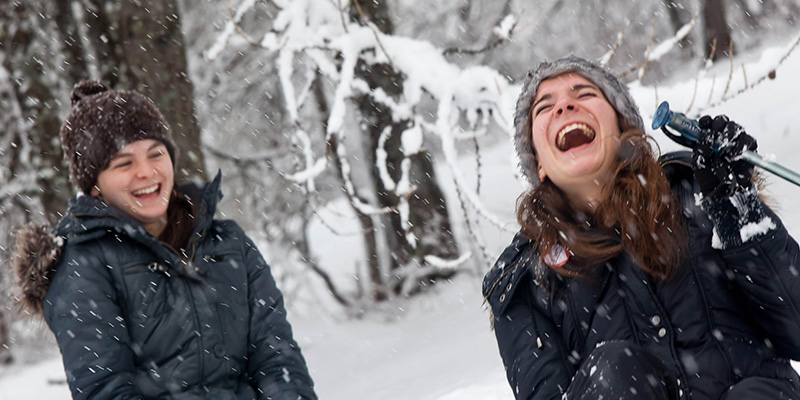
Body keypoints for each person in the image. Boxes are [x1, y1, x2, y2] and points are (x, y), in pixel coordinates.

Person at [482, 56, 800, 400]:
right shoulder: (526, 281)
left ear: (622, 128)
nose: (565, 106)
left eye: (584, 93)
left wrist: (736, 206)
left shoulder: (699, 194)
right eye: (546, 106)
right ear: (538, 163)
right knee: (613, 370)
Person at [12, 81, 317, 400]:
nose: (146, 172)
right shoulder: (83, 267)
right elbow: (107, 391)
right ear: (94, 187)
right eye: (124, 163)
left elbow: (278, 360)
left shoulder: (229, 244)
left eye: (155, 154)